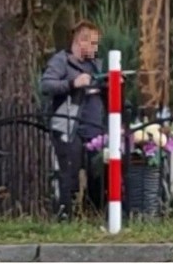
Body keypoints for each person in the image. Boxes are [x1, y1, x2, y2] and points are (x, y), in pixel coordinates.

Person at [40, 20, 106, 220]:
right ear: (81, 41)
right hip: (69, 127)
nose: (95, 48)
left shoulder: (95, 66)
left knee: (97, 173)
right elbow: (46, 85)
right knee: (70, 173)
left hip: (94, 129)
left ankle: (95, 215)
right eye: (92, 43)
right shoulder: (62, 61)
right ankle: (66, 216)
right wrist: (73, 83)